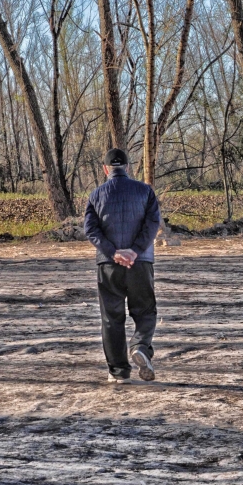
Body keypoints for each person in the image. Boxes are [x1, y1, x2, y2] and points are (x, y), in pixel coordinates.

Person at [83, 148, 161, 384]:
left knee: (111, 318)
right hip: (140, 263)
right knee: (145, 311)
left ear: (106, 169)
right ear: (127, 167)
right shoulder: (145, 191)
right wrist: (135, 251)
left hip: (108, 265)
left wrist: (113, 252)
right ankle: (139, 346)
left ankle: (119, 372)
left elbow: (91, 229)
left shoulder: (96, 195)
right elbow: (152, 224)